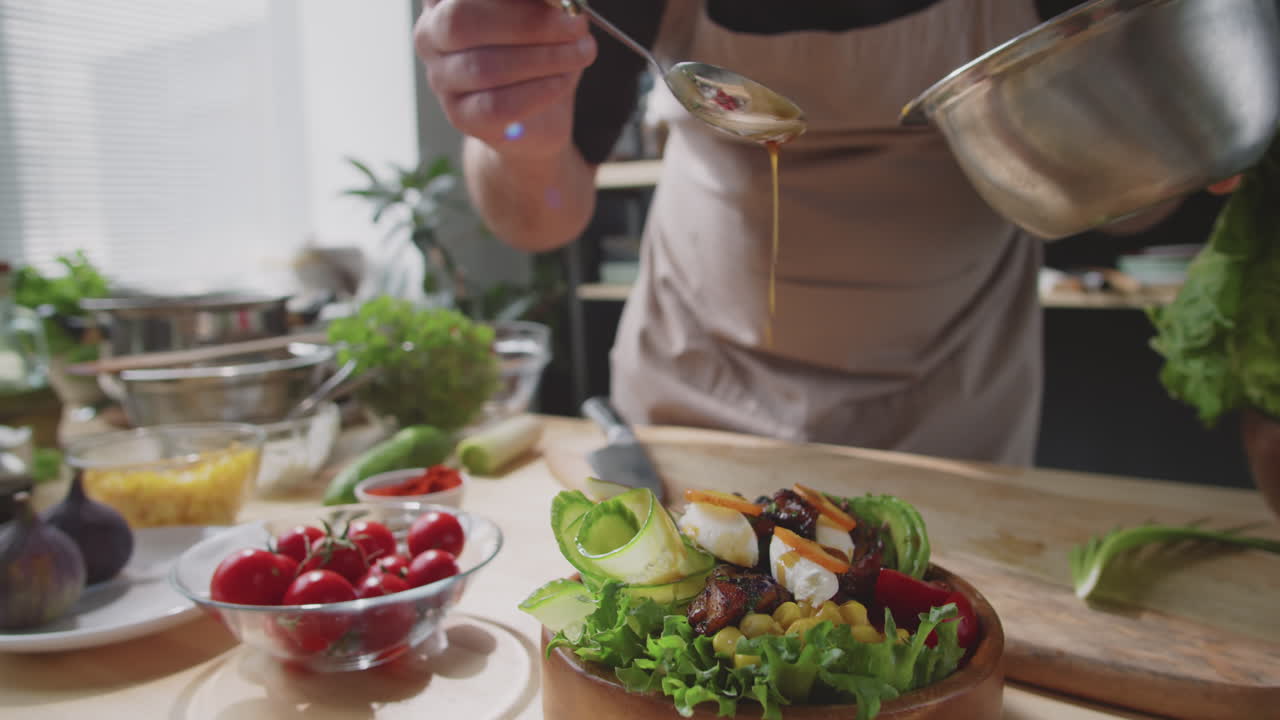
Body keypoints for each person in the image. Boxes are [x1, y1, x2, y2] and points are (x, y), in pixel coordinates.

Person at [413, 0, 1235, 466]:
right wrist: (519, 132)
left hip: (953, 406)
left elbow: (1137, 209)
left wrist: (1163, 140)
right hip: (696, 390)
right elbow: (536, 216)